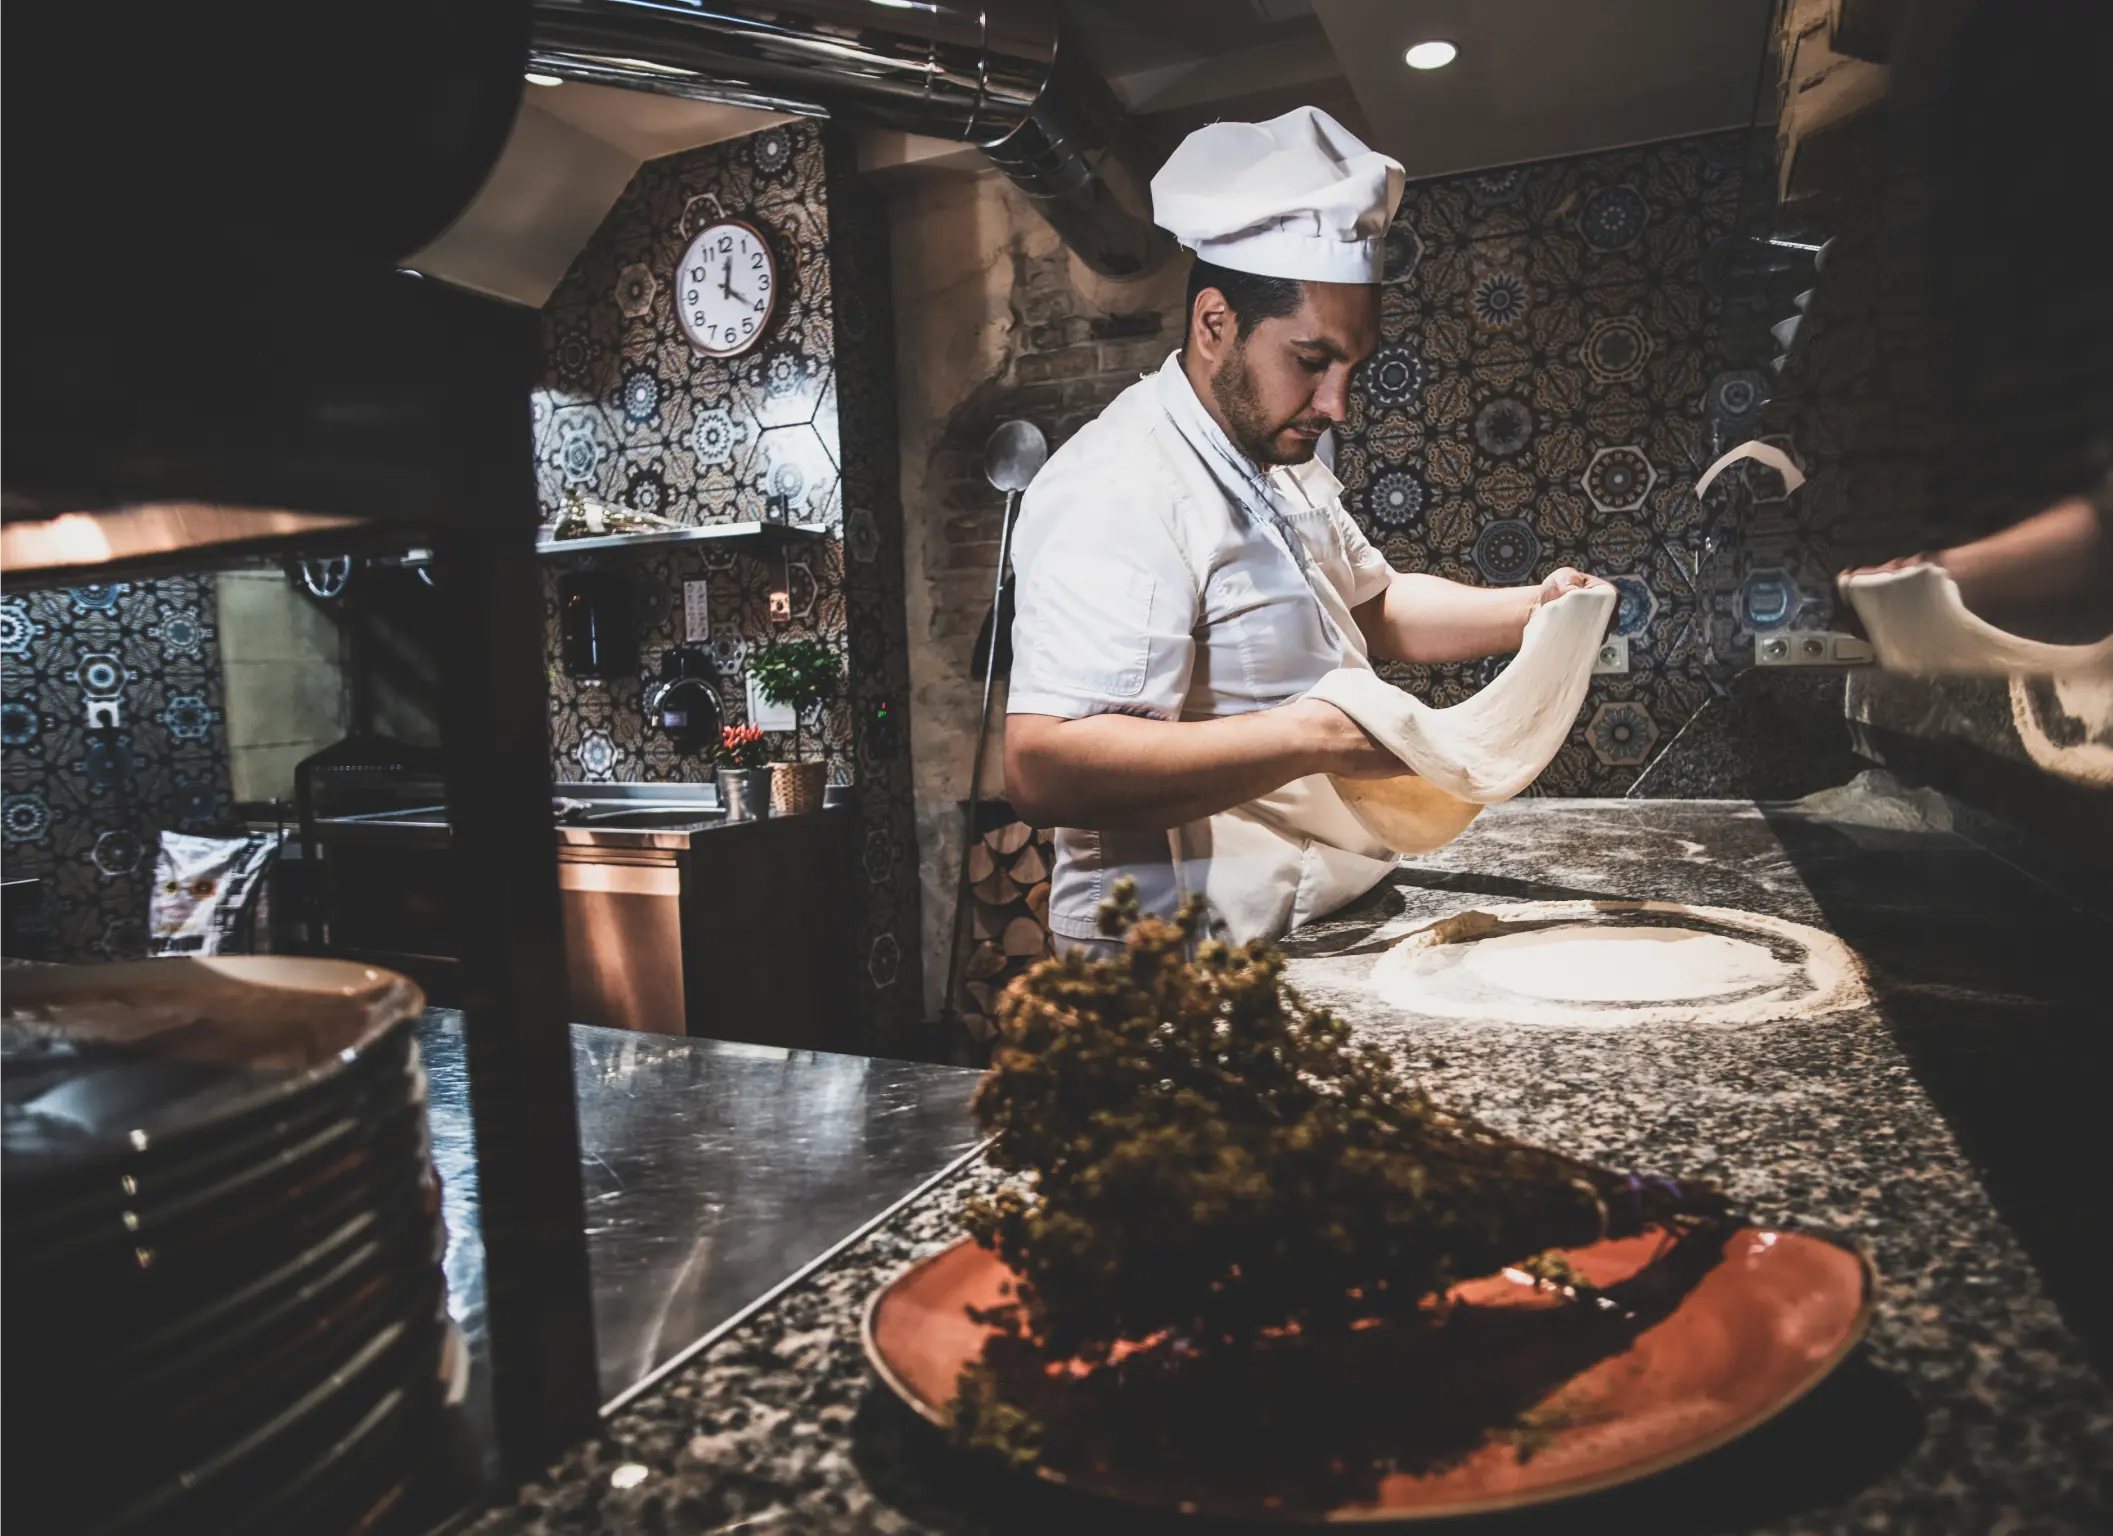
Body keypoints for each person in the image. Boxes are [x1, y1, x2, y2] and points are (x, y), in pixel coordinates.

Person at [1002, 106, 1608, 953]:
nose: (1337, 407)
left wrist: (1533, 610)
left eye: (1350, 367)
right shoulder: (1119, 485)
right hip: (1173, 954)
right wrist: (1314, 734)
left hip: (1315, 906)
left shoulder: (1272, 451)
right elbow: (1045, 767)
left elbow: (1370, 605)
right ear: (1215, 323)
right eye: (1312, 361)